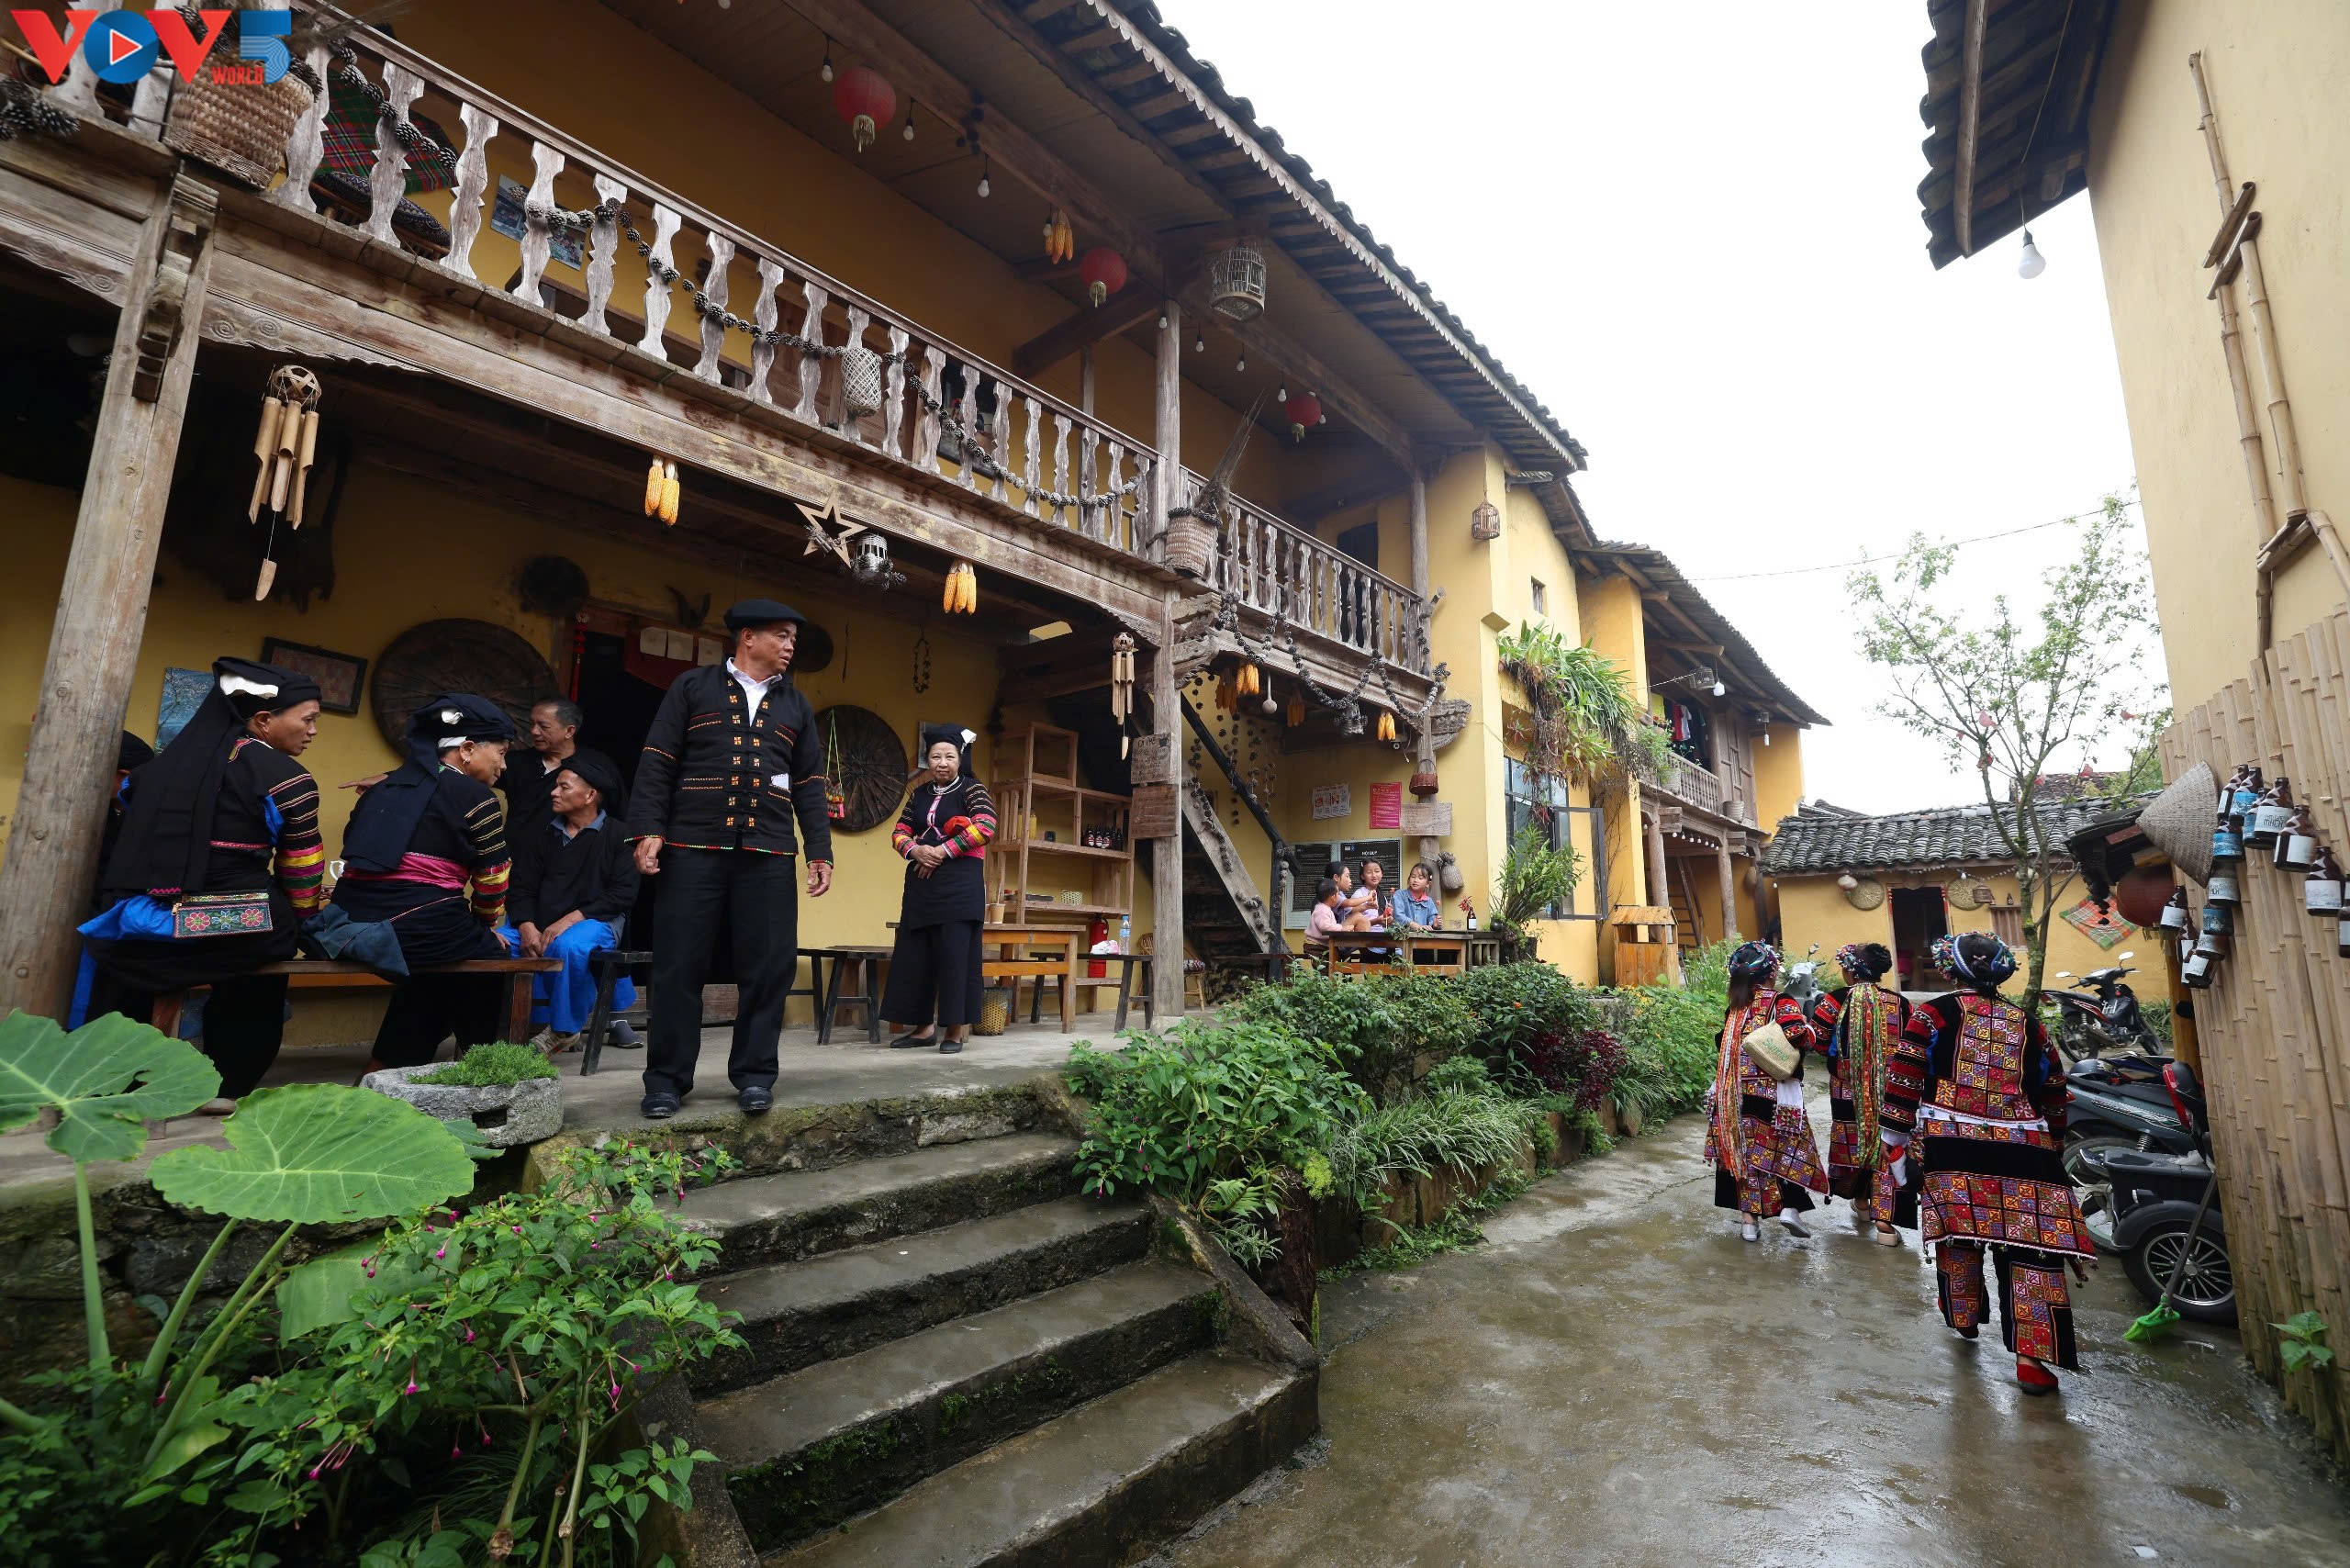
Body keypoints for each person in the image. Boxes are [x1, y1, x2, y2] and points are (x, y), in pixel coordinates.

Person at [77, 659, 324, 1102]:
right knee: (268, 956)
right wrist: (303, 919)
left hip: (148, 918)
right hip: (241, 923)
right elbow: (301, 870)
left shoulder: (156, 772)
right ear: (263, 720)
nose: (313, 731)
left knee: (131, 964)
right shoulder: (289, 780)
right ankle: (229, 1082)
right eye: (307, 720)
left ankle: (116, 1078)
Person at [629, 598, 833, 1119]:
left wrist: (819, 851)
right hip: (692, 848)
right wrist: (649, 830)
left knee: (769, 967)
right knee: (678, 964)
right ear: (748, 637)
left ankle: (755, 1075)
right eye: (782, 635)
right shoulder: (692, 687)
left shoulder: (796, 705)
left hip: (768, 850)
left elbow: (810, 783)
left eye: (793, 638)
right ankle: (666, 1081)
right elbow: (657, 762)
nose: (790, 646)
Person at [1883, 931, 2093, 1395]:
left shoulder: (1933, 1014)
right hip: (2026, 1146)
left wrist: (1893, 1138)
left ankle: (1963, 1315)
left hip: (1950, 1141)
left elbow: (1904, 1075)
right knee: (2032, 1248)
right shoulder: (2029, 1023)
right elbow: (2054, 1089)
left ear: (1949, 970)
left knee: (1961, 1233)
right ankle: (2032, 1361)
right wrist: (2054, 1140)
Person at [331, 695, 517, 1069]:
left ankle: (385, 1066)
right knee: (488, 961)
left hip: (346, 920)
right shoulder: (478, 798)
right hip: (416, 924)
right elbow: (493, 878)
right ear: (467, 749)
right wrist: (483, 927)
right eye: (500, 752)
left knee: (434, 976)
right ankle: (484, 1065)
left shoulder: (383, 787)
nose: (503, 765)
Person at [504, 749, 639, 1052]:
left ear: (590, 795)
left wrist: (568, 920)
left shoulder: (620, 835)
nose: (554, 792)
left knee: (569, 946)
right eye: (556, 786)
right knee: (493, 943)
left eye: (563, 787)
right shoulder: (541, 834)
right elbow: (521, 887)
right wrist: (526, 926)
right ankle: (490, 1028)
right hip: (541, 922)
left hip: (596, 922)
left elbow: (622, 894)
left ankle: (563, 1030)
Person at [880, 724, 997, 1055]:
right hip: (921, 885)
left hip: (959, 885)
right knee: (916, 955)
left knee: (955, 957)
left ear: (960, 759)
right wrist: (916, 850)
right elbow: (899, 832)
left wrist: (941, 852)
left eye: (949, 756)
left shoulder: (973, 789)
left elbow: (986, 826)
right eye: (935, 757)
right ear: (927, 760)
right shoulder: (918, 794)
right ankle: (923, 1028)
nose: (942, 763)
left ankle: (954, 1031)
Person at [1703, 939, 1827, 1242]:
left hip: (1734, 1094)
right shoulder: (1780, 1001)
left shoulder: (1736, 1006)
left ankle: (1749, 1223)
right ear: (1771, 973)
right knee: (1787, 1148)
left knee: (1743, 1153)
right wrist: (1810, 1031)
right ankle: (1790, 1208)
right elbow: (1797, 1034)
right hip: (1775, 1093)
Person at [1810, 942, 1914, 1247]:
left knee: (1855, 1141)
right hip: (1890, 1090)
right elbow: (1913, 1048)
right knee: (1886, 1142)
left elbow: (1817, 1041)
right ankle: (1884, 1222)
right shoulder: (1901, 1004)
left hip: (1847, 1089)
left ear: (1851, 971)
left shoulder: (1834, 1000)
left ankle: (1862, 1203)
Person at [499, 697, 583, 846]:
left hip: (566, 852)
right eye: (532, 724)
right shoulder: (513, 762)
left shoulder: (591, 767)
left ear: (569, 731)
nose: (534, 731)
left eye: (543, 726)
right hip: (514, 851)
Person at [1391, 862, 1440, 929]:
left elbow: (1432, 920)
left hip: (1421, 936)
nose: (1415, 880)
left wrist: (1435, 925)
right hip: (1401, 935)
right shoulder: (1399, 895)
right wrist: (1416, 926)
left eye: (1420, 878)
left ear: (1428, 884)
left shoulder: (1429, 901)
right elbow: (1398, 915)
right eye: (1413, 876)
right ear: (1409, 879)